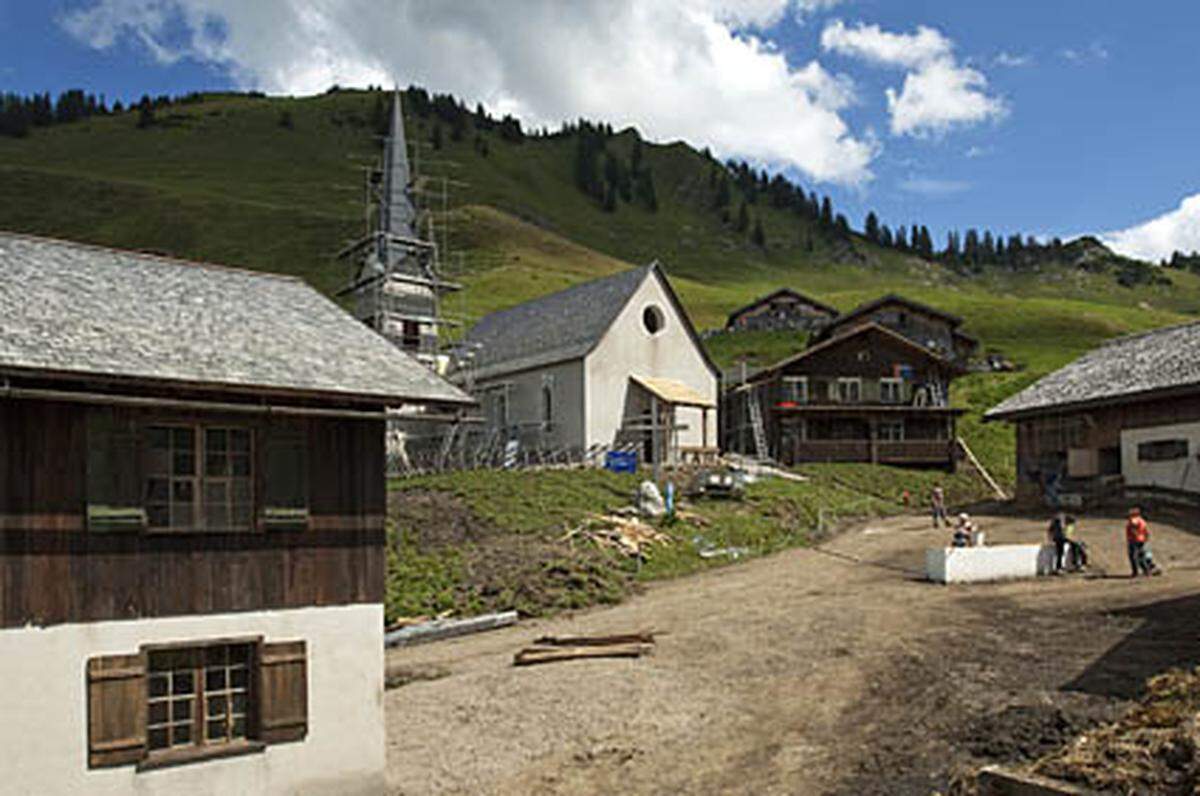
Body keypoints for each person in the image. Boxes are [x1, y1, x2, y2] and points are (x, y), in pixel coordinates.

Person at [1125, 506, 1158, 577]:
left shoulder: (1135, 521)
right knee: (1140, 556)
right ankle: (1146, 571)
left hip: (1136, 540)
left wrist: (1134, 533)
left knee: (1135, 556)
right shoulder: (1142, 521)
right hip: (1140, 540)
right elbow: (1146, 533)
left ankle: (1138, 572)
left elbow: (1134, 525)